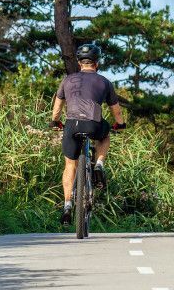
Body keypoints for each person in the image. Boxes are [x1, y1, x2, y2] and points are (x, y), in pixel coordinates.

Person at [50, 43, 126, 225]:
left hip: (71, 126)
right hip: (93, 124)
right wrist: (120, 125)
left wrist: (55, 122)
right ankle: (99, 164)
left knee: (70, 165)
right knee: (105, 134)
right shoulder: (104, 82)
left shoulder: (67, 80)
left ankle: (68, 205)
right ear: (97, 63)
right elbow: (116, 112)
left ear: (79, 62)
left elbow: (57, 108)